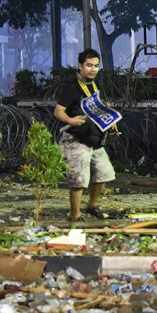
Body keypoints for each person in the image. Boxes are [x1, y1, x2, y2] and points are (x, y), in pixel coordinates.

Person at [54, 48, 116, 221]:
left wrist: (111, 122)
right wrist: (70, 120)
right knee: (79, 179)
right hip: (75, 140)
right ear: (80, 66)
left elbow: (99, 108)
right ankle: (75, 216)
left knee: (104, 173)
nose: (93, 69)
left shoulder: (95, 85)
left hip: (94, 139)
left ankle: (92, 206)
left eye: (96, 66)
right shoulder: (72, 87)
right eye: (89, 65)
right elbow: (58, 111)